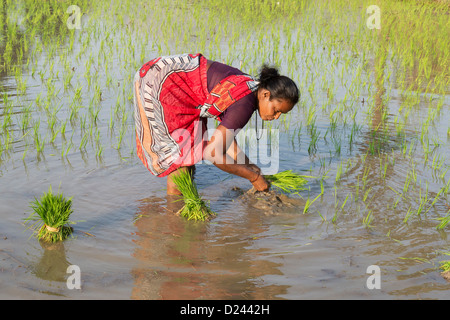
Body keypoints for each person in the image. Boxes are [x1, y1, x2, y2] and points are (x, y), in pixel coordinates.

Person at [133, 53, 299, 195]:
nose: (276, 116)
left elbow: (226, 139)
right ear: (265, 94)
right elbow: (213, 153)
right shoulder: (245, 104)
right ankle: (176, 223)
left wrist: (248, 165)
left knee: (188, 156)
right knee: (181, 162)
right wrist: (253, 177)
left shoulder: (248, 87)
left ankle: (183, 211)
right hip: (164, 85)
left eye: (281, 114)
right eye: (276, 109)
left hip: (161, 73)